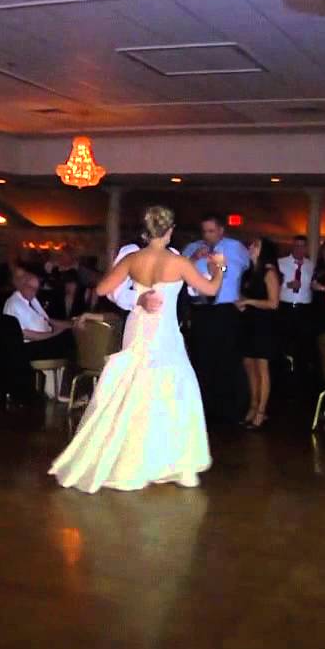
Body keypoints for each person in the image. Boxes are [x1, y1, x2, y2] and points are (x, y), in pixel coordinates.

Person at [50, 206, 225, 493]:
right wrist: (220, 267)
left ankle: (127, 456)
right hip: (164, 333)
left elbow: (103, 289)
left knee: (133, 387)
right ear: (169, 232)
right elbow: (210, 289)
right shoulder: (177, 261)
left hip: (139, 327)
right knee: (169, 390)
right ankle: (163, 460)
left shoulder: (133, 258)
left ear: (147, 232)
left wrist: (139, 298)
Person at [182, 214, 251, 424]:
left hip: (225, 311)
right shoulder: (192, 248)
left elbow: (237, 272)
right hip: (201, 311)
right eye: (204, 231)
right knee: (202, 359)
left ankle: (231, 410)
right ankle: (205, 409)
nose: (207, 236)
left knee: (228, 360)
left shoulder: (234, 247)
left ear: (221, 230)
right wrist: (195, 258)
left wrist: (216, 265)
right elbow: (179, 273)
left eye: (212, 231)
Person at [236, 237, 281, 430]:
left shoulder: (269, 272)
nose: (251, 247)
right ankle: (253, 406)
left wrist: (249, 302)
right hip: (248, 323)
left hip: (264, 324)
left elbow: (273, 303)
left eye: (255, 245)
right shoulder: (248, 272)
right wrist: (241, 303)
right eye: (251, 244)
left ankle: (262, 411)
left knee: (262, 367)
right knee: (249, 366)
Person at [4, 274, 76, 364]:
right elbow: (23, 334)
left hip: (42, 341)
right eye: (30, 287)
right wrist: (52, 335)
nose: (33, 291)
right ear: (22, 285)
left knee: (73, 336)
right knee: (69, 341)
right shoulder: (14, 303)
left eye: (36, 289)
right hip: (28, 348)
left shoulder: (32, 300)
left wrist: (73, 324)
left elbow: (47, 320)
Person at [277, 235, 315, 377]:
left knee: (302, 344)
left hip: (304, 309)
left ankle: (300, 376)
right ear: (292, 246)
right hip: (286, 307)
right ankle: (284, 374)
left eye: (302, 246)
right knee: (285, 343)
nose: (299, 249)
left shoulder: (310, 265)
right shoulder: (281, 263)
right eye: (297, 245)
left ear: (306, 248)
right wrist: (287, 285)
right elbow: (272, 285)